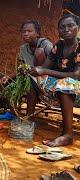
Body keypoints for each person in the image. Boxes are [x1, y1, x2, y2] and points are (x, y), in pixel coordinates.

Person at [30, 14, 80, 147]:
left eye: (70, 26)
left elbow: (76, 75)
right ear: (58, 31)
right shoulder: (59, 45)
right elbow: (44, 67)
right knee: (32, 79)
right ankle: (29, 121)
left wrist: (45, 71)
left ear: (78, 28)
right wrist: (33, 70)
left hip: (76, 87)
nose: (66, 29)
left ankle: (68, 135)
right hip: (58, 83)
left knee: (66, 84)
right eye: (62, 27)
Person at [0, 20, 53, 115]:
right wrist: (8, 77)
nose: (26, 34)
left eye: (29, 31)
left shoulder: (45, 44)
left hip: (45, 79)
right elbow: (22, 68)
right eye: (24, 32)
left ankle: (29, 115)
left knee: (38, 53)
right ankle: (13, 113)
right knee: (2, 82)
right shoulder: (23, 49)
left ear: (37, 33)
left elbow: (54, 63)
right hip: (29, 77)